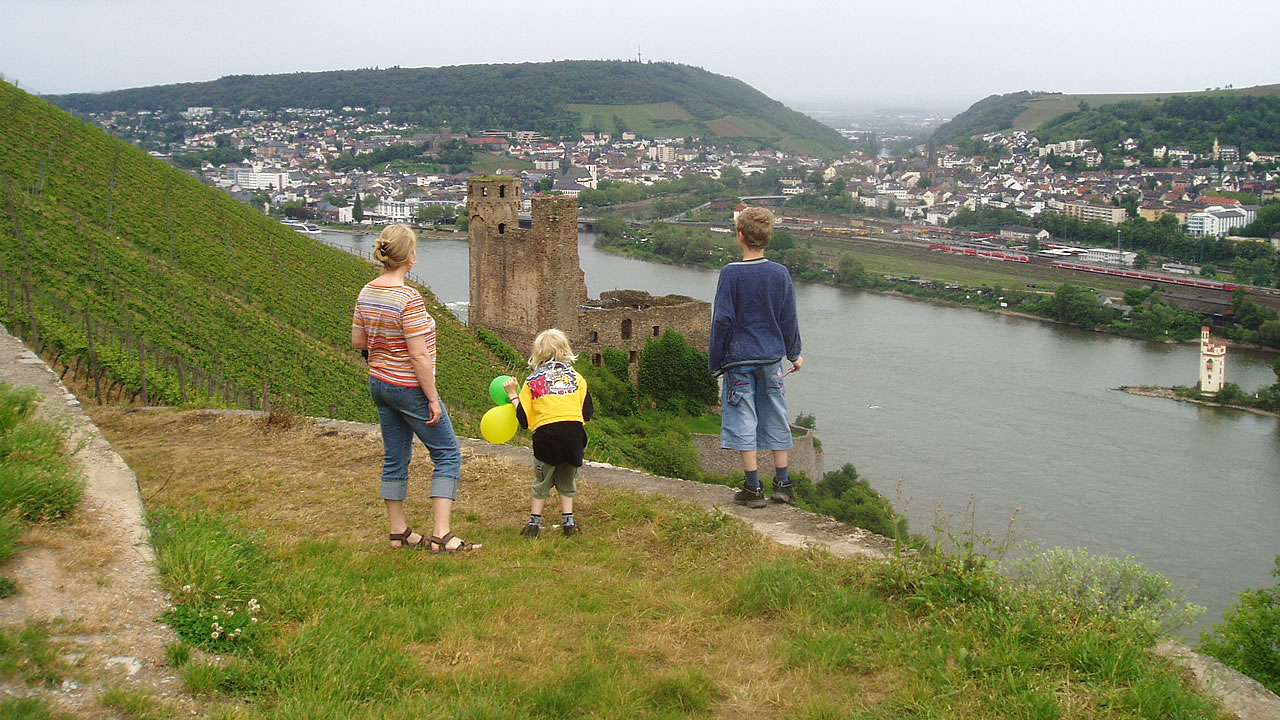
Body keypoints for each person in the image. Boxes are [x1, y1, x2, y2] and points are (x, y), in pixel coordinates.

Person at [351, 224, 480, 553]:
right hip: (408, 386)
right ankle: (442, 535)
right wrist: (433, 399)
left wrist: (383, 352)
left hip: (378, 383)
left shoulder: (367, 292)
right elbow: (419, 355)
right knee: (448, 455)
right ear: (411, 256)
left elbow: (358, 342)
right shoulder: (409, 299)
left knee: (395, 458)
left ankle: (399, 533)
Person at [708, 206, 804, 509]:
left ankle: (753, 487)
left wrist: (715, 362)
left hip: (738, 360)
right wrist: (795, 353)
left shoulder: (730, 273)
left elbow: (722, 320)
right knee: (777, 415)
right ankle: (783, 484)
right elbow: (789, 317)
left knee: (742, 418)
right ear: (768, 238)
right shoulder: (780, 273)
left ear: (740, 236)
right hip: (772, 359)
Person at [502, 329, 593, 538]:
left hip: (546, 438)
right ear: (566, 350)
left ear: (537, 353)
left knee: (542, 482)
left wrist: (513, 395)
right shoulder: (577, 378)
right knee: (568, 481)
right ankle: (569, 524)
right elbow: (587, 413)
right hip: (573, 436)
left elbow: (524, 420)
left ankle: (533, 525)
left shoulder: (533, 380)